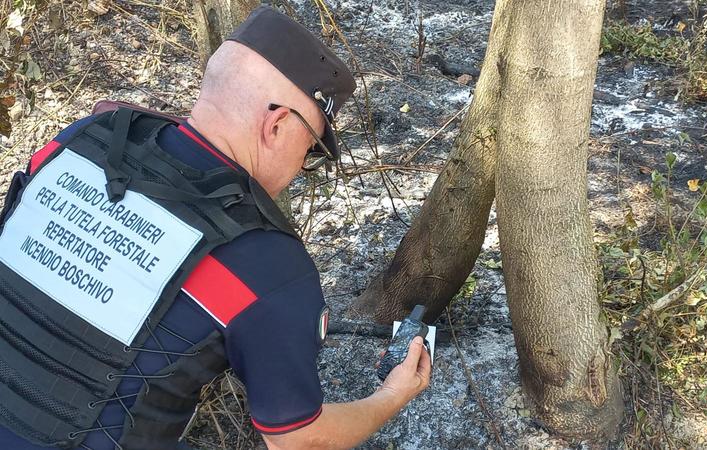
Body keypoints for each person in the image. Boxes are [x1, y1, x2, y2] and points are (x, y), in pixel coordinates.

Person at [0, 6, 430, 450]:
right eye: (311, 148)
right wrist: (393, 394)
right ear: (277, 125)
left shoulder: (82, 140)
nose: (303, 166)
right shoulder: (267, 266)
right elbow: (298, 440)